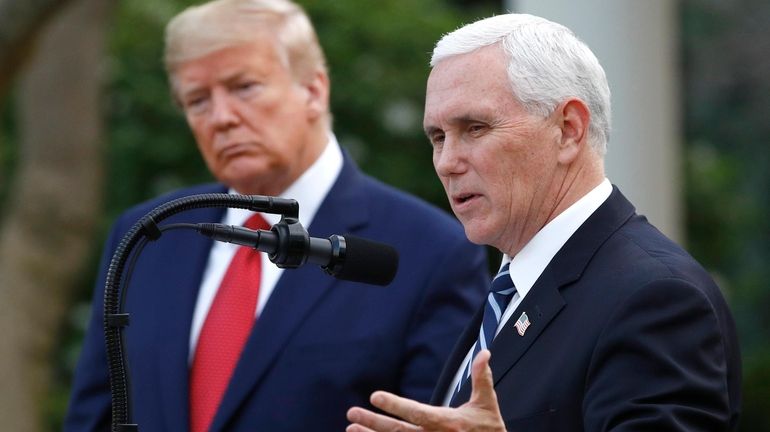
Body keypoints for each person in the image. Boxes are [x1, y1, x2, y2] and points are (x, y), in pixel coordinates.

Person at [64, 0, 489, 431]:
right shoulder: (150, 234)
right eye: (197, 100)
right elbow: (95, 416)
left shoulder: (428, 250)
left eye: (244, 87)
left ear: (314, 89)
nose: (222, 117)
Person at [347, 13, 741, 432]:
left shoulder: (658, 297)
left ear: (568, 130)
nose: (447, 163)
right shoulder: (511, 289)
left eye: (475, 128)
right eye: (438, 137)